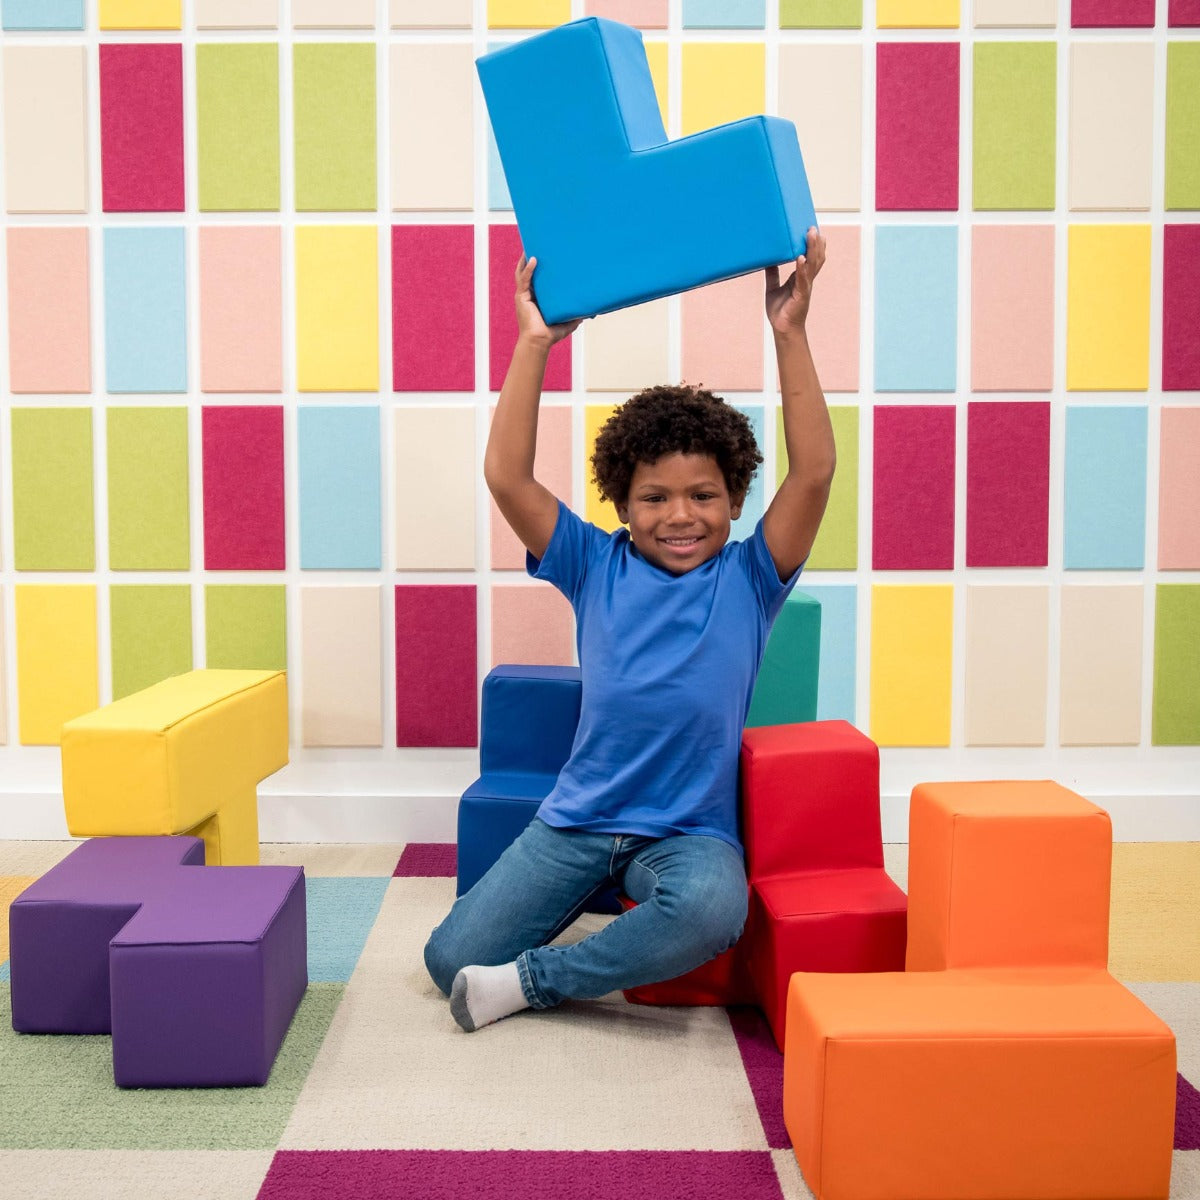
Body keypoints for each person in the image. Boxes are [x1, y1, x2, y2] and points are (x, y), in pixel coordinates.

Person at [424, 228, 833, 1032]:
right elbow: (507, 475)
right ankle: (565, 922)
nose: (681, 516)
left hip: (686, 836)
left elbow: (813, 471)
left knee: (714, 912)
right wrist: (534, 344)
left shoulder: (751, 578)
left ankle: (536, 981)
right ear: (622, 503)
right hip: (577, 823)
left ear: (736, 499)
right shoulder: (592, 562)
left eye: (704, 496)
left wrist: (791, 332)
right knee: (447, 960)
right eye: (655, 498)